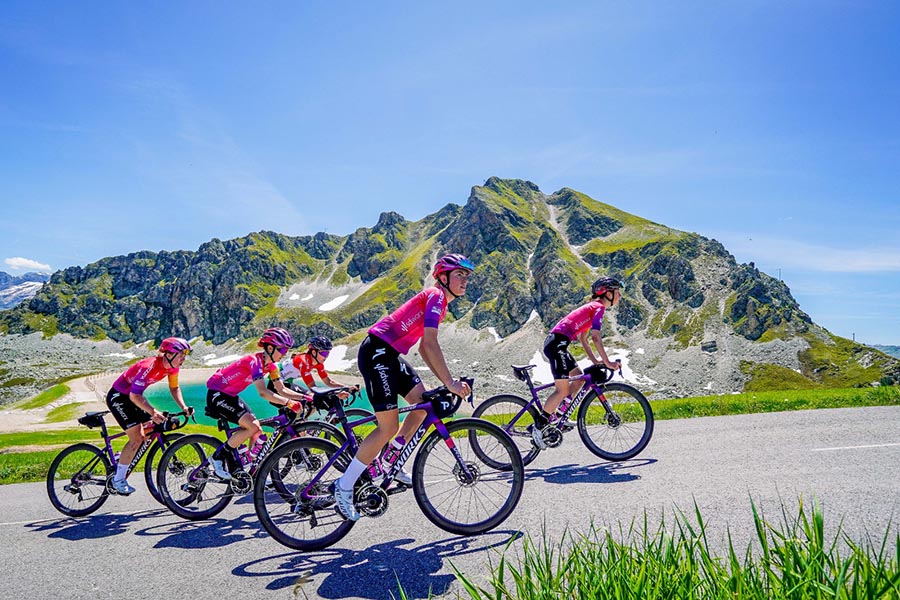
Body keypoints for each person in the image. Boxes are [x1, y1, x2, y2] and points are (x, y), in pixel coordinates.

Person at [333, 253, 475, 521]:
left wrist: (445, 383)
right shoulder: (435, 296)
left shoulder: (440, 304)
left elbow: (423, 347)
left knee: (423, 406)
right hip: (377, 353)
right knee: (387, 427)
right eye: (460, 275)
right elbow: (431, 344)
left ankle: (390, 459)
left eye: (467, 276)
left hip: (390, 355)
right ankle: (344, 486)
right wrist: (450, 383)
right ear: (443, 277)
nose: (465, 281)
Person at [205, 327, 307, 480]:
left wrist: (306, 397)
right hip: (217, 395)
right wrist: (288, 403)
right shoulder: (253, 361)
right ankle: (217, 457)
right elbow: (263, 392)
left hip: (230, 396)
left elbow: (282, 389)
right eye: (283, 349)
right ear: (270, 348)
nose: (285, 354)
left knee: (255, 427)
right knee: (253, 426)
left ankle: (238, 468)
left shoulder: (271, 366)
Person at [534, 276, 624, 448]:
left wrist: (597, 361)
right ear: (608, 294)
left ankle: (559, 415)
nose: (619, 296)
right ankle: (539, 426)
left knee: (579, 379)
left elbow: (584, 339)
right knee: (562, 390)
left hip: (558, 343)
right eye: (617, 292)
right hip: (557, 344)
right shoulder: (598, 307)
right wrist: (608, 362)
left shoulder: (591, 307)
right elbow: (596, 337)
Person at [105, 337, 194, 495]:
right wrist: (152, 412)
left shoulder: (172, 368)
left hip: (135, 397)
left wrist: (184, 407)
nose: (183, 359)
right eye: (181, 355)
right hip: (119, 397)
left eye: (184, 355)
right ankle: (118, 480)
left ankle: (122, 457)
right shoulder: (149, 366)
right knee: (137, 437)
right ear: (169, 354)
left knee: (150, 429)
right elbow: (134, 396)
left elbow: (174, 388)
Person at [277, 335, 358, 393]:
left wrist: (346, 387)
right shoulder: (304, 362)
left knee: (312, 404)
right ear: (313, 352)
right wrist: (337, 393)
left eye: (327, 354)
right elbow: (313, 388)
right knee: (310, 400)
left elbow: (329, 382)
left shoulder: (318, 364)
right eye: (324, 354)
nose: (326, 357)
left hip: (287, 382)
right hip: (275, 383)